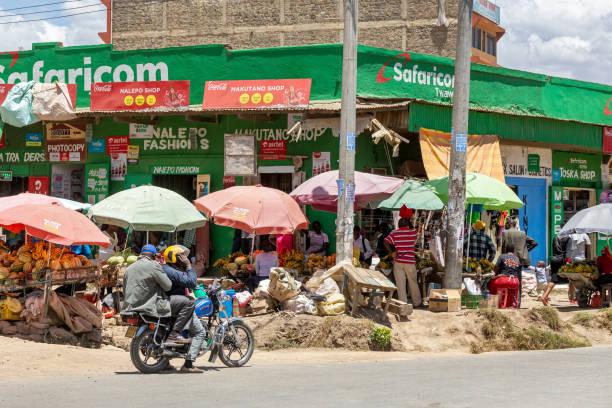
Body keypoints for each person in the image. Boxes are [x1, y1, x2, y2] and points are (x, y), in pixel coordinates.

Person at [162, 245, 206, 374]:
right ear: (176, 258)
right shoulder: (172, 271)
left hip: (171, 304)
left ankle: (164, 363)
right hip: (177, 305)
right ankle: (188, 364)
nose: (185, 259)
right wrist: (188, 266)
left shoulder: (168, 269)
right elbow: (191, 282)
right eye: (182, 257)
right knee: (200, 332)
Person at [384, 218, 421, 307]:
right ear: (407, 224)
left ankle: (403, 303)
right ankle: (417, 302)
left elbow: (385, 241)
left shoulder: (394, 233)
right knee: (413, 282)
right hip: (409, 261)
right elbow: (417, 231)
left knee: (400, 283)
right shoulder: (412, 233)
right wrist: (410, 225)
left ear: (399, 225)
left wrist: (392, 251)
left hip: (398, 261)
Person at [502, 217, 537, 306]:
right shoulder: (522, 234)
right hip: (520, 260)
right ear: (516, 224)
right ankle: (518, 302)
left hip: (507, 259)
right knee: (518, 281)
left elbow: (503, 246)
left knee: (507, 279)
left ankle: (508, 301)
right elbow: (534, 243)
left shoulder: (505, 233)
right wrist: (525, 250)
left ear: (509, 224)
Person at [488, 242, 522, 308]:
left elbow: (495, 269)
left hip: (504, 280)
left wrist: (495, 275)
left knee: (491, 283)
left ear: (506, 249)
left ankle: (494, 303)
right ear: (513, 250)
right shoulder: (517, 258)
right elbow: (518, 271)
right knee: (511, 290)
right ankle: (510, 305)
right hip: (515, 281)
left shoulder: (502, 256)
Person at [541, 234, 570, 306]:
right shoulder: (568, 237)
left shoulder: (556, 236)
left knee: (553, 278)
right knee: (555, 280)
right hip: (561, 259)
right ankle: (544, 297)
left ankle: (545, 295)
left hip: (554, 258)